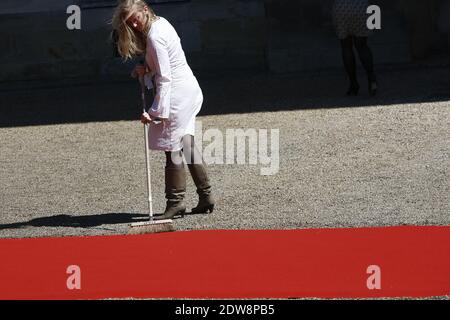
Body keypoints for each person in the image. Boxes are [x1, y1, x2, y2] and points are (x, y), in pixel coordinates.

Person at [111, 0, 215, 219]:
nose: (135, 26)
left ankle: (175, 202)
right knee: (186, 143)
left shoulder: (155, 36)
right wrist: (146, 69)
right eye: (130, 23)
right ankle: (206, 196)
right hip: (188, 88)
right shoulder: (161, 23)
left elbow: (166, 77)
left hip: (177, 93)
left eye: (136, 19)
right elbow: (167, 62)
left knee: (172, 147)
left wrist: (155, 111)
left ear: (145, 10)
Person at [332, 0, 378, 96]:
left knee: (346, 47)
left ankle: (353, 84)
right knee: (362, 46)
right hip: (361, 7)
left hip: (342, 7)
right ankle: (372, 79)